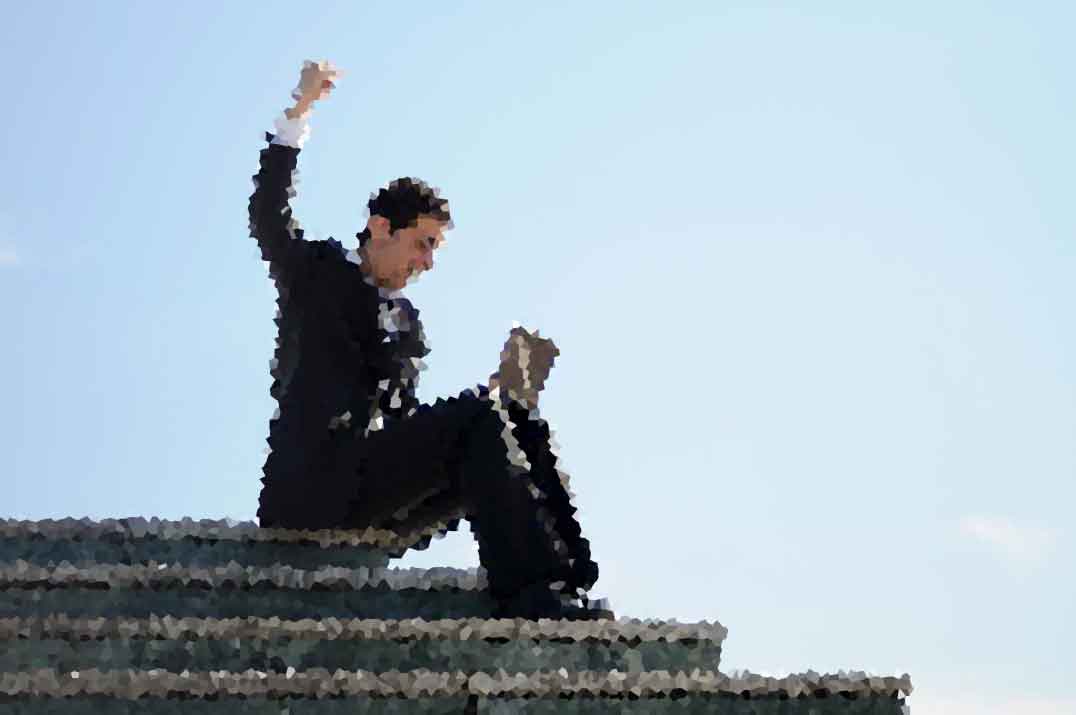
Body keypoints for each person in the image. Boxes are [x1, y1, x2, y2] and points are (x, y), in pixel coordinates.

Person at [249, 60, 607, 620]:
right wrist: (300, 111)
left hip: (372, 495)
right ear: (380, 228)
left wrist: (499, 398)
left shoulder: (407, 324)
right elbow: (269, 214)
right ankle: (528, 593)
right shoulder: (317, 273)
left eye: (435, 249)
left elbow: (409, 429)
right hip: (312, 490)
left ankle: (570, 583)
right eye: (422, 244)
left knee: (510, 413)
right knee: (481, 416)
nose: (427, 262)